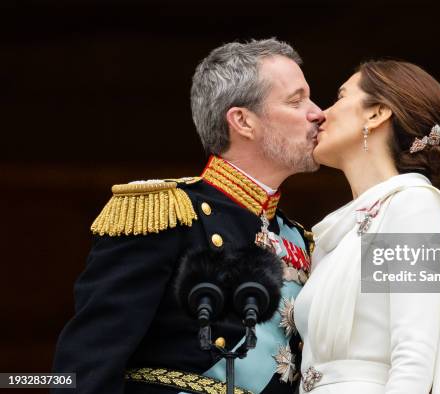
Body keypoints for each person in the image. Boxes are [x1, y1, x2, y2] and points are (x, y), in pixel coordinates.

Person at [52, 38, 325, 394]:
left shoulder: (297, 236)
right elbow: (88, 362)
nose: (318, 112)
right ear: (242, 121)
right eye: (296, 100)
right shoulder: (166, 212)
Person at [293, 60, 440, 394]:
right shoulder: (336, 231)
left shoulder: (414, 205)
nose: (321, 114)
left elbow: (414, 359)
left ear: (376, 113)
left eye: (340, 97)